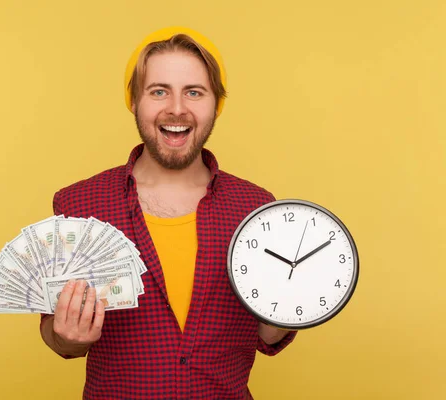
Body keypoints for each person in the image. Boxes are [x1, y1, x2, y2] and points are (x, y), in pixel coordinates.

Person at [39, 26, 297, 400]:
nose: (177, 108)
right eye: (158, 91)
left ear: (216, 104)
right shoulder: (79, 205)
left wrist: (288, 309)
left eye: (194, 92)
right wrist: (67, 336)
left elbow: (267, 336)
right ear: (134, 101)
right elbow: (57, 339)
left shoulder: (255, 208)